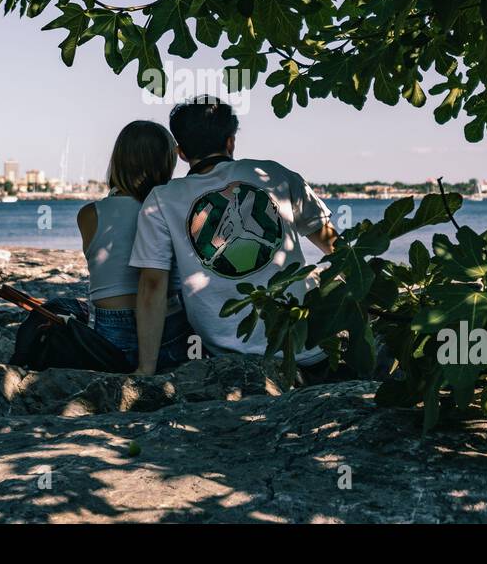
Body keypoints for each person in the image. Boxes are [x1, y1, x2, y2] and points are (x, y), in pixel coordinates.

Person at [128, 97, 340, 379]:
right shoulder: (275, 174)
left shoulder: (162, 200)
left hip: (232, 356)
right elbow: (334, 247)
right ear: (230, 142)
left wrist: (146, 369)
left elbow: (153, 284)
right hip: (309, 349)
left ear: (180, 152)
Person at [74, 120, 193, 371]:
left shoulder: (89, 215)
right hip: (168, 324)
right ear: (166, 163)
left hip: (110, 331)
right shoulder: (173, 210)